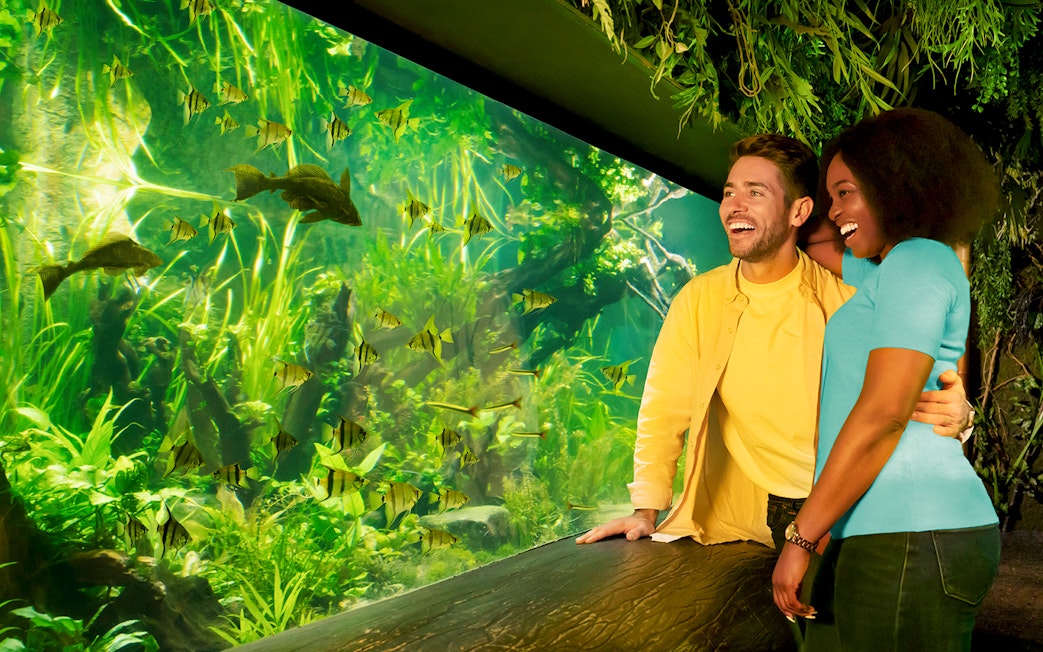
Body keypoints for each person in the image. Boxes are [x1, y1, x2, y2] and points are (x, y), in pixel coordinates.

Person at [576, 133, 971, 549]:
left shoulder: (847, 301)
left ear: (799, 210)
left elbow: (919, 392)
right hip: (776, 509)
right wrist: (645, 509)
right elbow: (664, 407)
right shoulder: (699, 300)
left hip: (866, 500)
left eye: (755, 192)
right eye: (729, 192)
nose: (734, 205)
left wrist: (960, 413)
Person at [771, 108, 1000, 650]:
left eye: (847, 192)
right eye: (829, 196)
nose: (835, 211)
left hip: (914, 529)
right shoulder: (888, 268)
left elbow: (883, 414)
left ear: (896, 184)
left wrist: (801, 535)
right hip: (871, 527)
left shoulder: (918, 261)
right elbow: (821, 244)